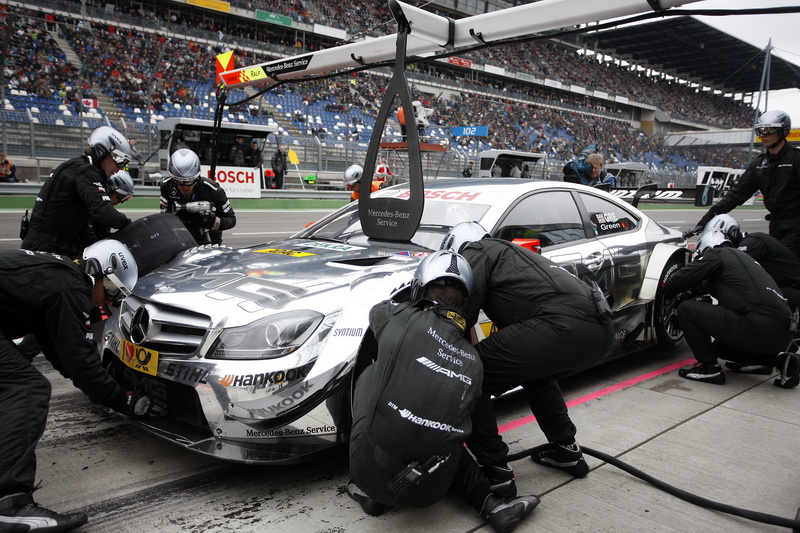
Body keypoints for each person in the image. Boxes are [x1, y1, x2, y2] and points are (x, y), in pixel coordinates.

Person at [347, 250, 539, 532]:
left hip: (367, 473)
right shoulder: (474, 362)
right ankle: (492, 506)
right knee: (443, 437)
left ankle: (370, 493)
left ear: (419, 290)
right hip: (430, 489)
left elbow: (376, 310)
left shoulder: (398, 317)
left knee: (371, 374)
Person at [441, 222, 614, 490]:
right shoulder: (512, 254)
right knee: (537, 375)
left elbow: (461, 313)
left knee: (467, 373)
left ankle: (496, 471)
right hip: (600, 330)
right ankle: (566, 449)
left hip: (563, 325)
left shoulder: (477, 250)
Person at [0, 241, 158, 533]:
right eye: (111, 292)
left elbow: (61, 354)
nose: (106, 303)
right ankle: (10, 504)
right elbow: (81, 363)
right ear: (99, 272)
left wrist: (98, 387)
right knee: (27, 389)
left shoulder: (59, 276)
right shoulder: (72, 288)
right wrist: (122, 401)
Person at [665, 229, 796, 387]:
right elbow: (706, 285)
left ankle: (709, 369)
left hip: (758, 325)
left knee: (687, 310)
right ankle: (780, 361)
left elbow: (678, 281)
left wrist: (669, 291)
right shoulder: (743, 261)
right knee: (720, 349)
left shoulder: (717, 255)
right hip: (784, 331)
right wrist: (690, 293)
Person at [692, 110, 800, 257]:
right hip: (775, 226)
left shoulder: (796, 159)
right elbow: (737, 194)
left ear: (783, 131)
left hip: (796, 226)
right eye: (759, 131)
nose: (762, 135)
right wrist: (708, 217)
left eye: (768, 130)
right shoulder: (759, 164)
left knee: (782, 263)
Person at [21, 126, 132, 259]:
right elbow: (102, 211)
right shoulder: (85, 171)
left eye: (124, 163)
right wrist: (129, 226)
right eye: (119, 161)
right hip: (47, 247)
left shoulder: (79, 168)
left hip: (53, 245)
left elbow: (84, 227)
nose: (120, 168)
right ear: (102, 151)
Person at [160, 148, 236, 246]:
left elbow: (231, 219)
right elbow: (163, 217)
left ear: (197, 177)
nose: (184, 186)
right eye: (178, 181)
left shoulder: (213, 191)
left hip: (209, 243)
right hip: (179, 240)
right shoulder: (167, 186)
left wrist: (213, 222)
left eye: (189, 181)